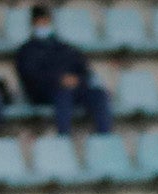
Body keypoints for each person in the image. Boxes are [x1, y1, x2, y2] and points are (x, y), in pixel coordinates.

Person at [15, 3, 112, 137]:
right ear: (33, 23)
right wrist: (58, 80)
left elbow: (84, 70)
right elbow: (30, 76)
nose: (43, 24)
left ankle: (105, 136)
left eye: (46, 21)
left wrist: (77, 80)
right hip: (45, 93)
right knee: (63, 94)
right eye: (40, 21)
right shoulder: (27, 51)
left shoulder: (64, 48)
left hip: (73, 89)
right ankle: (64, 137)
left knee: (98, 94)